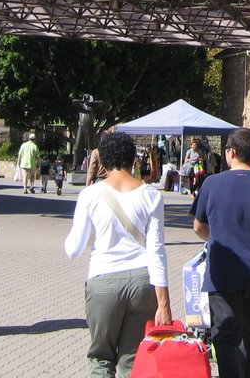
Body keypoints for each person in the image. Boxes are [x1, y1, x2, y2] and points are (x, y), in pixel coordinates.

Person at [65, 132, 172, 378]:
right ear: (133, 159)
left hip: (104, 282)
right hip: (143, 284)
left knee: (101, 359)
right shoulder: (151, 195)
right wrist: (164, 303)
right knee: (132, 360)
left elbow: (74, 249)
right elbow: (157, 251)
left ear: (102, 160)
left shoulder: (90, 195)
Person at [192, 127, 250, 378]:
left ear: (232, 152)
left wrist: (215, 238)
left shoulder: (211, 183)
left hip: (223, 268)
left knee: (224, 333)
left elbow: (199, 227)